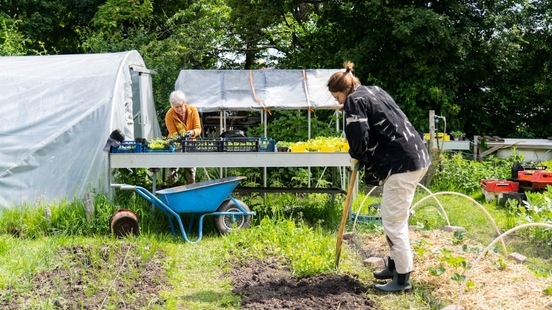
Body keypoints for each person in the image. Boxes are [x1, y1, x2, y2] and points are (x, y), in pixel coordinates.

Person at [327, 61, 430, 293]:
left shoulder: (354, 100)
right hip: (413, 157)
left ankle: (402, 280)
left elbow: (359, 134)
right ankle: (393, 267)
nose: (338, 102)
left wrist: (356, 155)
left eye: (336, 97)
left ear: (343, 90)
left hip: (401, 164)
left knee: (394, 222)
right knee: (392, 216)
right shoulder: (374, 90)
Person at [165, 90, 202, 184]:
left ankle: (190, 186)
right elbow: (173, 134)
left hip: (191, 142)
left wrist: (192, 132)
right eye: (176, 107)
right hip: (175, 143)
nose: (179, 109)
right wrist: (182, 137)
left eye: (180, 106)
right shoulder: (169, 115)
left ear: (184, 103)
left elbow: (198, 129)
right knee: (173, 166)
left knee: (190, 167)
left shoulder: (193, 110)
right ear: (172, 106)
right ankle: (171, 186)